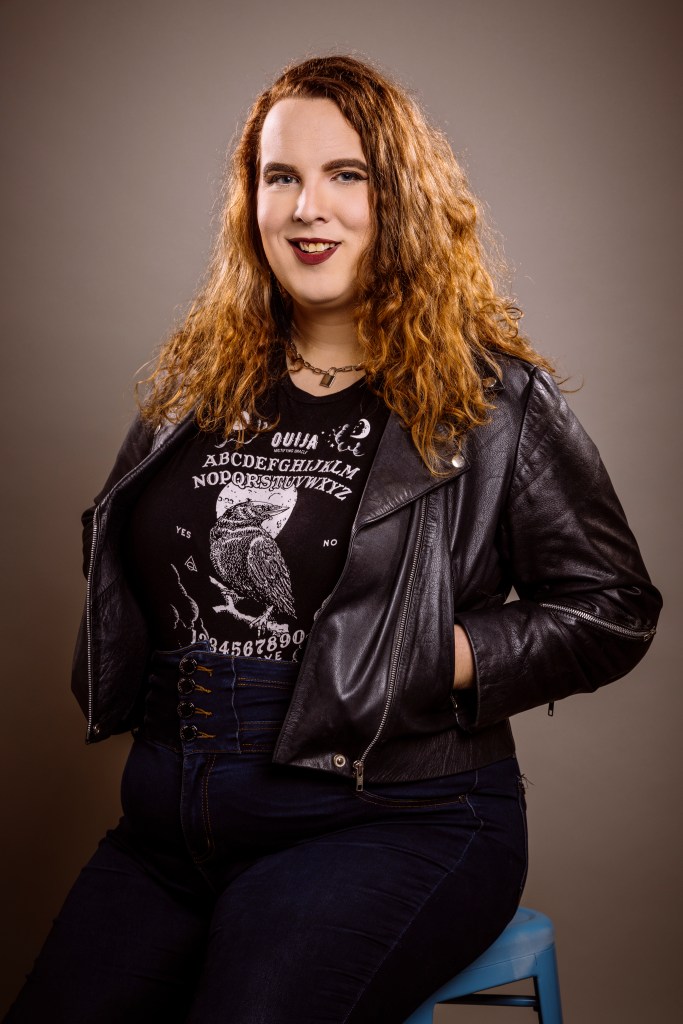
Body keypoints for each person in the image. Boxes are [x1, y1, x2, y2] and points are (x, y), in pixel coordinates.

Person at [6, 55, 661, 1024]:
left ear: (395, 195)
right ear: (251, 201)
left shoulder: (489, 402)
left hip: (390, 818)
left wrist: (439, 653)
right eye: (280, 177)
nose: (308, 207)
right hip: (166, 832)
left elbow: (612, 606)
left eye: (345, 175)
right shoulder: (195, 390)